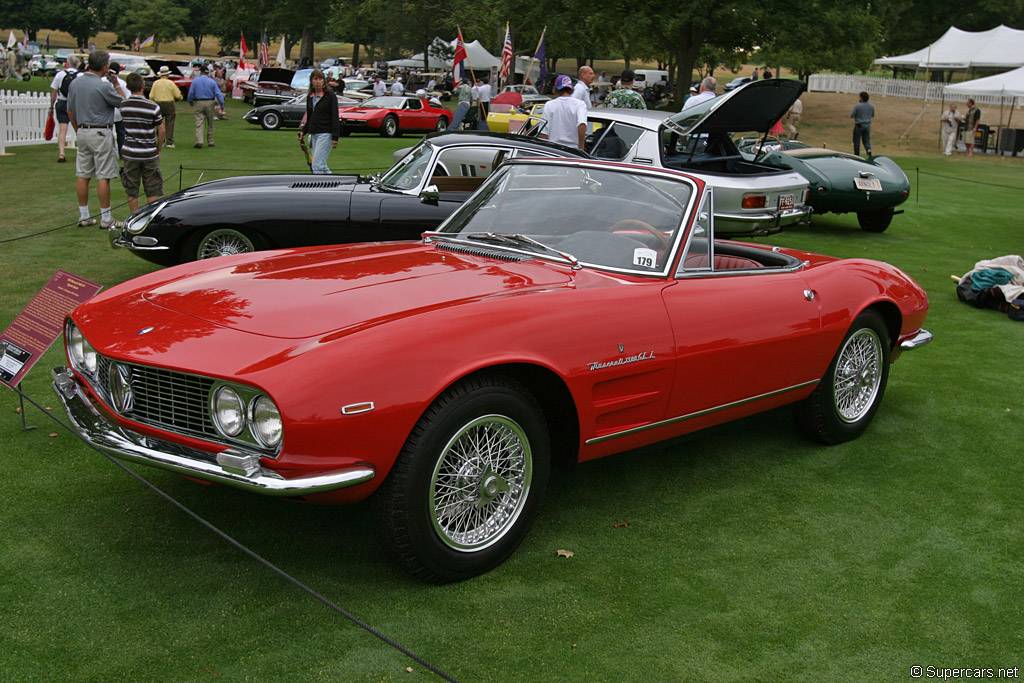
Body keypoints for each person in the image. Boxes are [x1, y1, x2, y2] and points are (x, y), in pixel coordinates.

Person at [66, 50, 126, 228]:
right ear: (105, 66)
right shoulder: (104, 85)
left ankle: (84, 216)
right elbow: (123, 103)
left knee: (83, 175)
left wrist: (79, 130)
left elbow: (69, 110)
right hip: (100, 131)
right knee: (104, 175)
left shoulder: (75, 82)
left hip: (83, 131)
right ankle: (106, 218)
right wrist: (115, 84)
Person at [119, 71, 165, 213]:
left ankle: (134, 216)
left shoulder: (124, 105)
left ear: (128, 86)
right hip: (148, 152)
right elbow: (161, 130)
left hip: (130, 151)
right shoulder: (152, 107)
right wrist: (159, 148)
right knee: (152, 187)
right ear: (143, 86)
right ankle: (150, 217)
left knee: (131, 187)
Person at [298, 69, 339, 174]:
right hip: (313, 134)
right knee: (321, 165)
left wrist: (335, 137)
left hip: (325, 133)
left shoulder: (330, 96)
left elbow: (335, 116)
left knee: (316, 165)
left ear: (324, 81)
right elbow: (310, 117)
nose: (318, 81)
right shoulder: (310, 97)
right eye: (315, 79)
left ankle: (320, 188)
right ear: (311, 81)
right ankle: (335, 185)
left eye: (320, 79)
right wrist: (303, 131)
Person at [50, 54, 83, 163]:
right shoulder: (81, 76)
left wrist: (51, 106)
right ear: (78, 64)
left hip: (62, 102)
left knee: (62, 129)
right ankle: (82, 152)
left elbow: (54, 93)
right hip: (74, 104)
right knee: (78, 129)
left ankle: (61, 153)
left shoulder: (59, 75)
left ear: (67, 63)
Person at [540, 74, 587, 149]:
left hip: (553, 150)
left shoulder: (549, 105)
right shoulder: (580, 104)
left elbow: (544, 133)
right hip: (573, 151)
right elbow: (582, 125)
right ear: (571, 88)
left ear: (556, 88)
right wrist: (581, 148)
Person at [187, 65, 225, 148]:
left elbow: (191, 93)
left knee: (199, 122)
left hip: (199, 101)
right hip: (210, 102)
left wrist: (191, 101)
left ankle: (199, 141)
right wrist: (222, 105)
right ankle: (210, 141)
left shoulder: (196, 81)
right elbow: (218, 93)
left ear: (201, 72)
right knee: (210, 122)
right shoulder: (212, 81)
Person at [149, 65, 182, 148]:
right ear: (167, 75)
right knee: (170, 123)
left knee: (159, 122)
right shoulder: (171, 83)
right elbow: (177, 95)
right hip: (169, 104)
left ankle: (161, 140)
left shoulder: (156, 83)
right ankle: (169, 142)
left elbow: (151, 96)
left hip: (158, 103)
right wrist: (180, 98)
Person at [850, 91, 874, 157]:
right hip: (867, 124)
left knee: (857, 140)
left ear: (862, 98)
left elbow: (852, 115)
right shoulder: (871, 106)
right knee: (866, 139)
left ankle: (856, 154)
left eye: (859, 97)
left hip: (859, 125)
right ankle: (868, 150)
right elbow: (872, 115)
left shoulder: (858, 106)